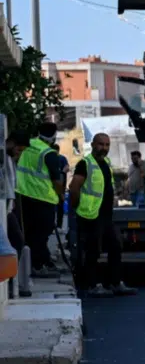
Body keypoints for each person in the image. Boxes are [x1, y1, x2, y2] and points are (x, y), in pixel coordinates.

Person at [69, 132, 136, 298]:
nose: (104, 148)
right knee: (93, 251)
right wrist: (77, 207)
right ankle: (92, 285)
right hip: (90, 215)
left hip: (105, 215)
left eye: (107, 145)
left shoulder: (106, 163)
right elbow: (74, 187)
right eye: (101, 144)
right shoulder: (85, 163)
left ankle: (114, 283)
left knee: (115, 246)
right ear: (93, 145)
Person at [5, 127, 64, 278]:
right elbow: (57, 181)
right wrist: (59, 194)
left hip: (23, 195)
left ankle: (36, 263)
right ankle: (37, 266)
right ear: (53, 137)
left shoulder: (28, 144)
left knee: (29, 234)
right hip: (43, 198)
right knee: (41, 234)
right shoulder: (48, 153)